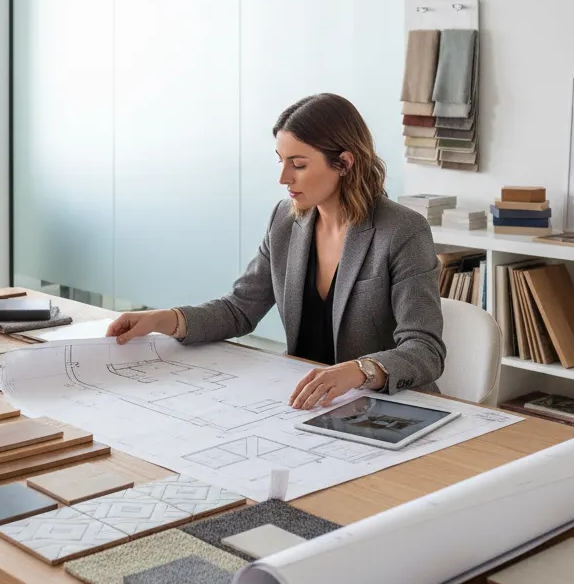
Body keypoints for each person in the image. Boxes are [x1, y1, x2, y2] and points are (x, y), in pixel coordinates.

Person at [106, 93, 446, 409]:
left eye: (298, 164)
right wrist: (163, 319)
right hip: (310, 404)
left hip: (390, 406)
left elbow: (424, 349)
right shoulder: (285, 221)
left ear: (343, 163)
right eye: (281, 161)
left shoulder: (402, 231)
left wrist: (360, 371)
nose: (284, 177)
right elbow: (239, 309)